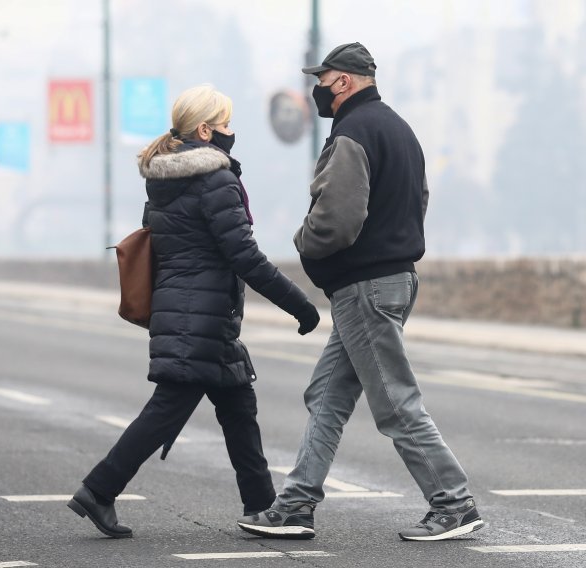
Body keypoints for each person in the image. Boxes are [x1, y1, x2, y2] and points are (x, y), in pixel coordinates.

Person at [237, 43, 484, 542]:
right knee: (326, 395)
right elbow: (419, 200)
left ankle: (453, 503)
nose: (318, 91)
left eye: (323, 80)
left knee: (395, 403)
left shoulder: (353, 131)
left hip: (365, 287)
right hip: (393, 279)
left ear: (345, 81)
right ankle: (295, 506)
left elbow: (337, 219)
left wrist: (304, 243)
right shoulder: (399, 128)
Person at [68, 84, 320, 539]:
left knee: (239, 408)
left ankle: (262, 507)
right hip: (200, 316)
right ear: (204, 130)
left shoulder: (163, 179)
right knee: (166, 410)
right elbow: (244, 255)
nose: (230, 131)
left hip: (190, 311)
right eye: (224, 124)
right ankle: (98, 489)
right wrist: (299, 304)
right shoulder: (215, 180)